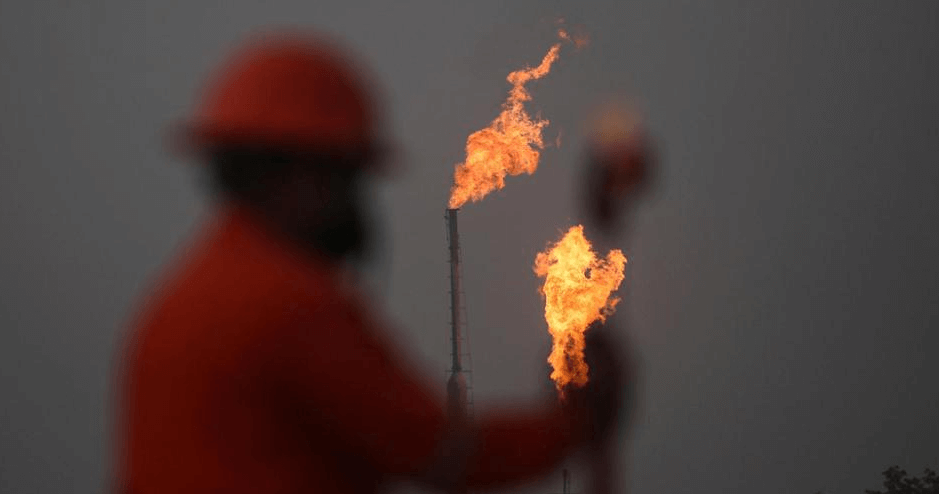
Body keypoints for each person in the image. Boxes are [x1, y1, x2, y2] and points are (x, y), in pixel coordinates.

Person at [113, 30, 628, 494]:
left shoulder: (175, 303)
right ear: (301, 175)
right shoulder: (291, 307)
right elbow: (439, 451)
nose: (355, 202)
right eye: (348, 177)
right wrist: (575, 424)